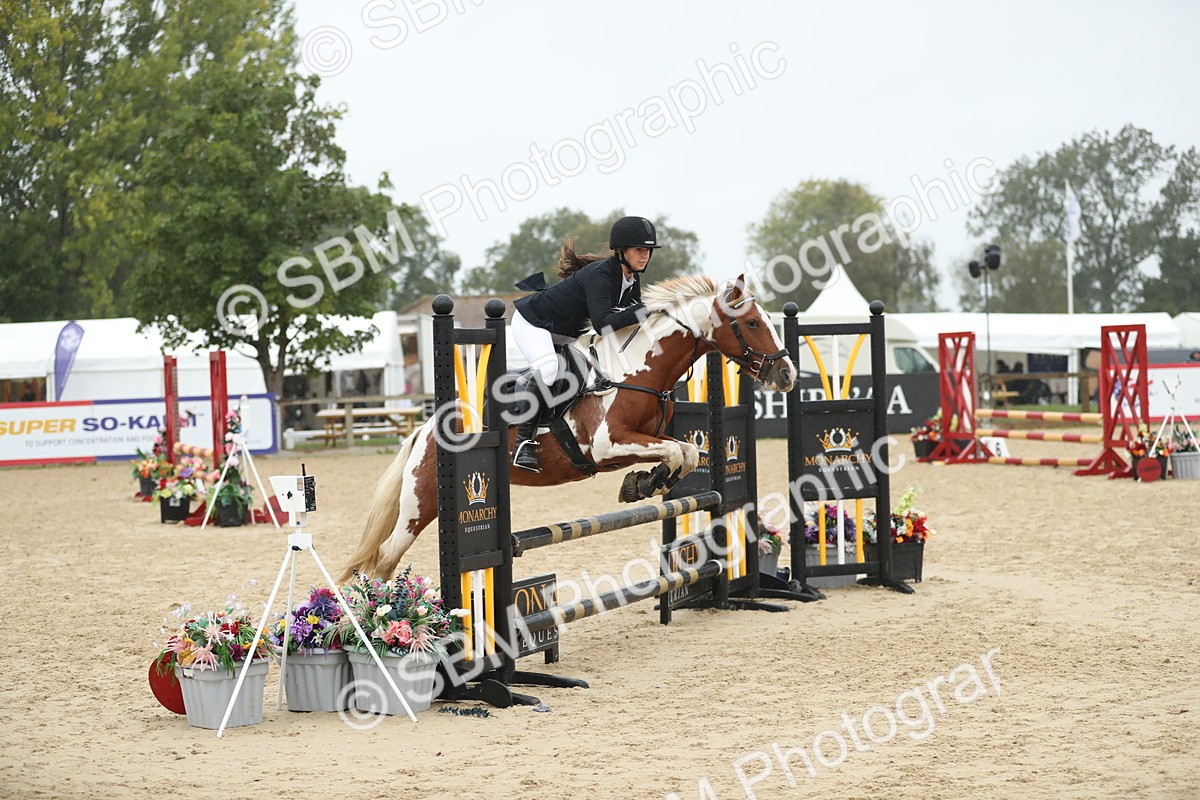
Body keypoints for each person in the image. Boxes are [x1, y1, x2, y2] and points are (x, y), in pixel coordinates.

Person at [508, 215, 662, 471]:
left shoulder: (631, 280)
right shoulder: (601, 275)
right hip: (533, 323)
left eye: (647, 250)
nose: (644, 255)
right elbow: (603, 323)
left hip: (564, 332)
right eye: (639, 250)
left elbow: (625, 326)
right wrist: (645, 309)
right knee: (548, 369)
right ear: (621, 251)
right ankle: (524, 442)